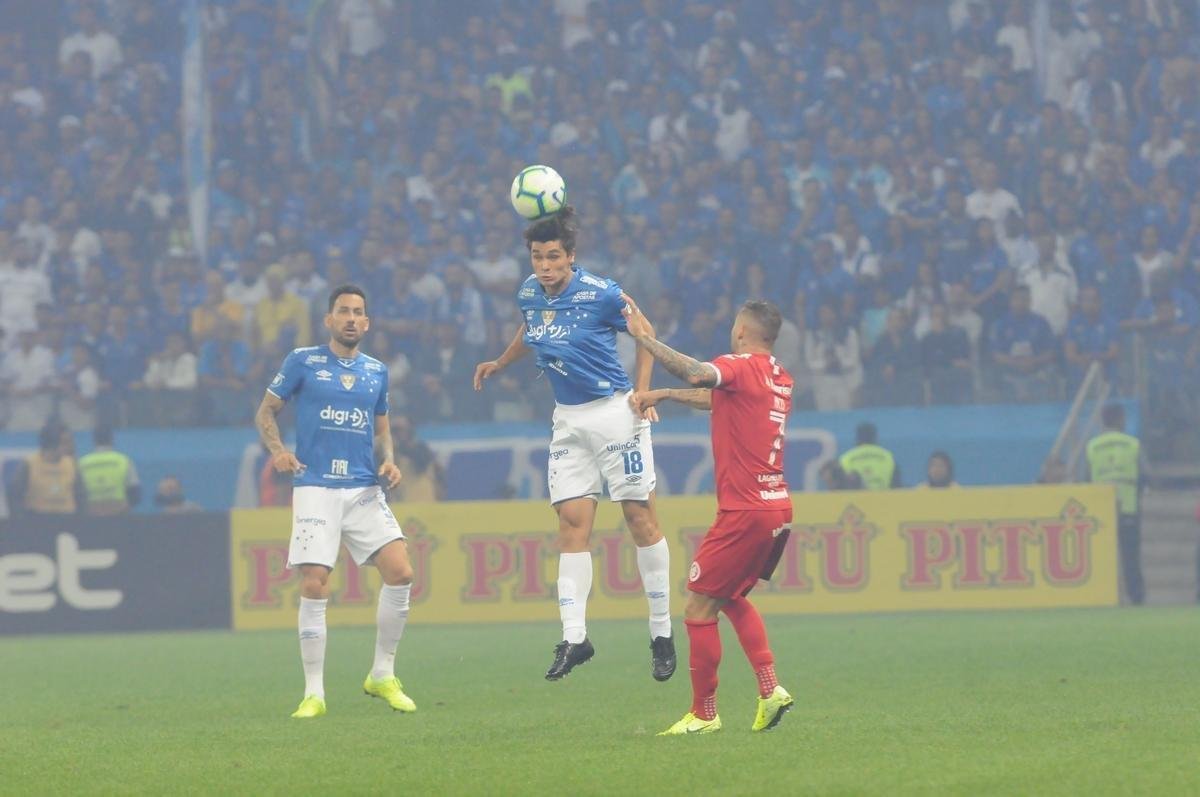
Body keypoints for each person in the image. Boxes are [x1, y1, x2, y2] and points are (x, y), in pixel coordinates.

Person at [472, 206, 675, 683]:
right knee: (571, 523)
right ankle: (575, 637)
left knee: (639, 518)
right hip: (568, 420)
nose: (544, 266)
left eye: (554, 257)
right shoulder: (529, 293)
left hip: (615, 413)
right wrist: (502, 361)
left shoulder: (602, 293)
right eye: (537, 257)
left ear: (571, 257)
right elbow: (533, 327)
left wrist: (643, 393)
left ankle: (662, 633)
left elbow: (647, 333)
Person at [621, 297, 795, 736]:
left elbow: (700, 373)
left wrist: (645, 340)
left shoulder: (737, 364)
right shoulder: (779, 377)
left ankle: (704, 714)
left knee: (699, 603)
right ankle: (770, 688)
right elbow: (718, 398)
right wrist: (665, 395)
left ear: (741, 332)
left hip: (744, 510)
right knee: (731, 595)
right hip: (776, 505)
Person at [254, 284, 413, 719]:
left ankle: (382, 674)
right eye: (342, 311)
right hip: (315, 486)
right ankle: (314, 694)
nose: (350, 318)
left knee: (401, 572)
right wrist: (278, 452)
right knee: (314, 582)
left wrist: (391, 463)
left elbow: (381, 428)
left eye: (358, 312)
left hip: (363, 487)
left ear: (367, 322)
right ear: (329, 320)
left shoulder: (376, 371)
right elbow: (266, 411)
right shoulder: (302, 361)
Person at [1086, 404, 1146, 605]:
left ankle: (1102, 596)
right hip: (1129, 508)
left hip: (1101, 511)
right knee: (1130, 558)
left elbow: (1086, 479)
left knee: (1102, 558)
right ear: (1121, 419)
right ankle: (1136, 597)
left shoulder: (1092, 446)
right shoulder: (1133, 444)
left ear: (1103, 421)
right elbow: (1144, 475)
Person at [11, 421, 83, 517]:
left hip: (67, 521)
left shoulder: (72, 464)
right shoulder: (29, 464)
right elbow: (14, 496)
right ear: (52, 444)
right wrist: (21, 521)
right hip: (38, 522)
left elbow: (81, 496)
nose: (72, 446)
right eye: (66, 442)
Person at [78, 423, 140, 515]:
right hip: (119, 514)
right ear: (112, 438)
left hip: (91, 516)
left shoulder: (82, 463)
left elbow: (77, 494)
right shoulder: (124, 461)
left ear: (94, 440)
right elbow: (135, 493)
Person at [839, 422, 901, 490]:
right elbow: (897, 485)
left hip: (855, 499)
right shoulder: (887, 456)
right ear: (875, 437)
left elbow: (839, 487)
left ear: (857, 438)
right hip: (884, 499)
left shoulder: (846, 458)